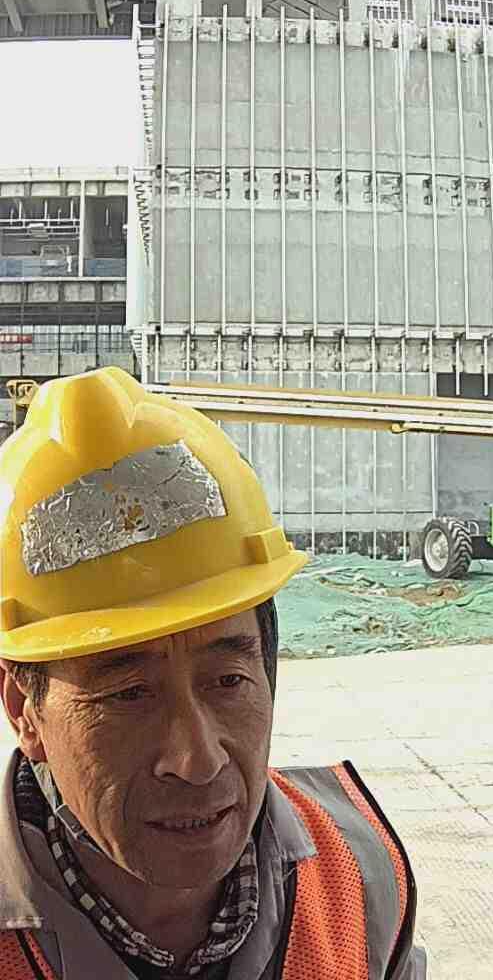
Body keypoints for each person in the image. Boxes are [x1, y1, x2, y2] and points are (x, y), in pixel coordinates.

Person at [0, 367, 426, 979]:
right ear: (24, 710)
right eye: (129, 694)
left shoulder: (357, 877)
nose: (197, 760)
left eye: (228, 680)